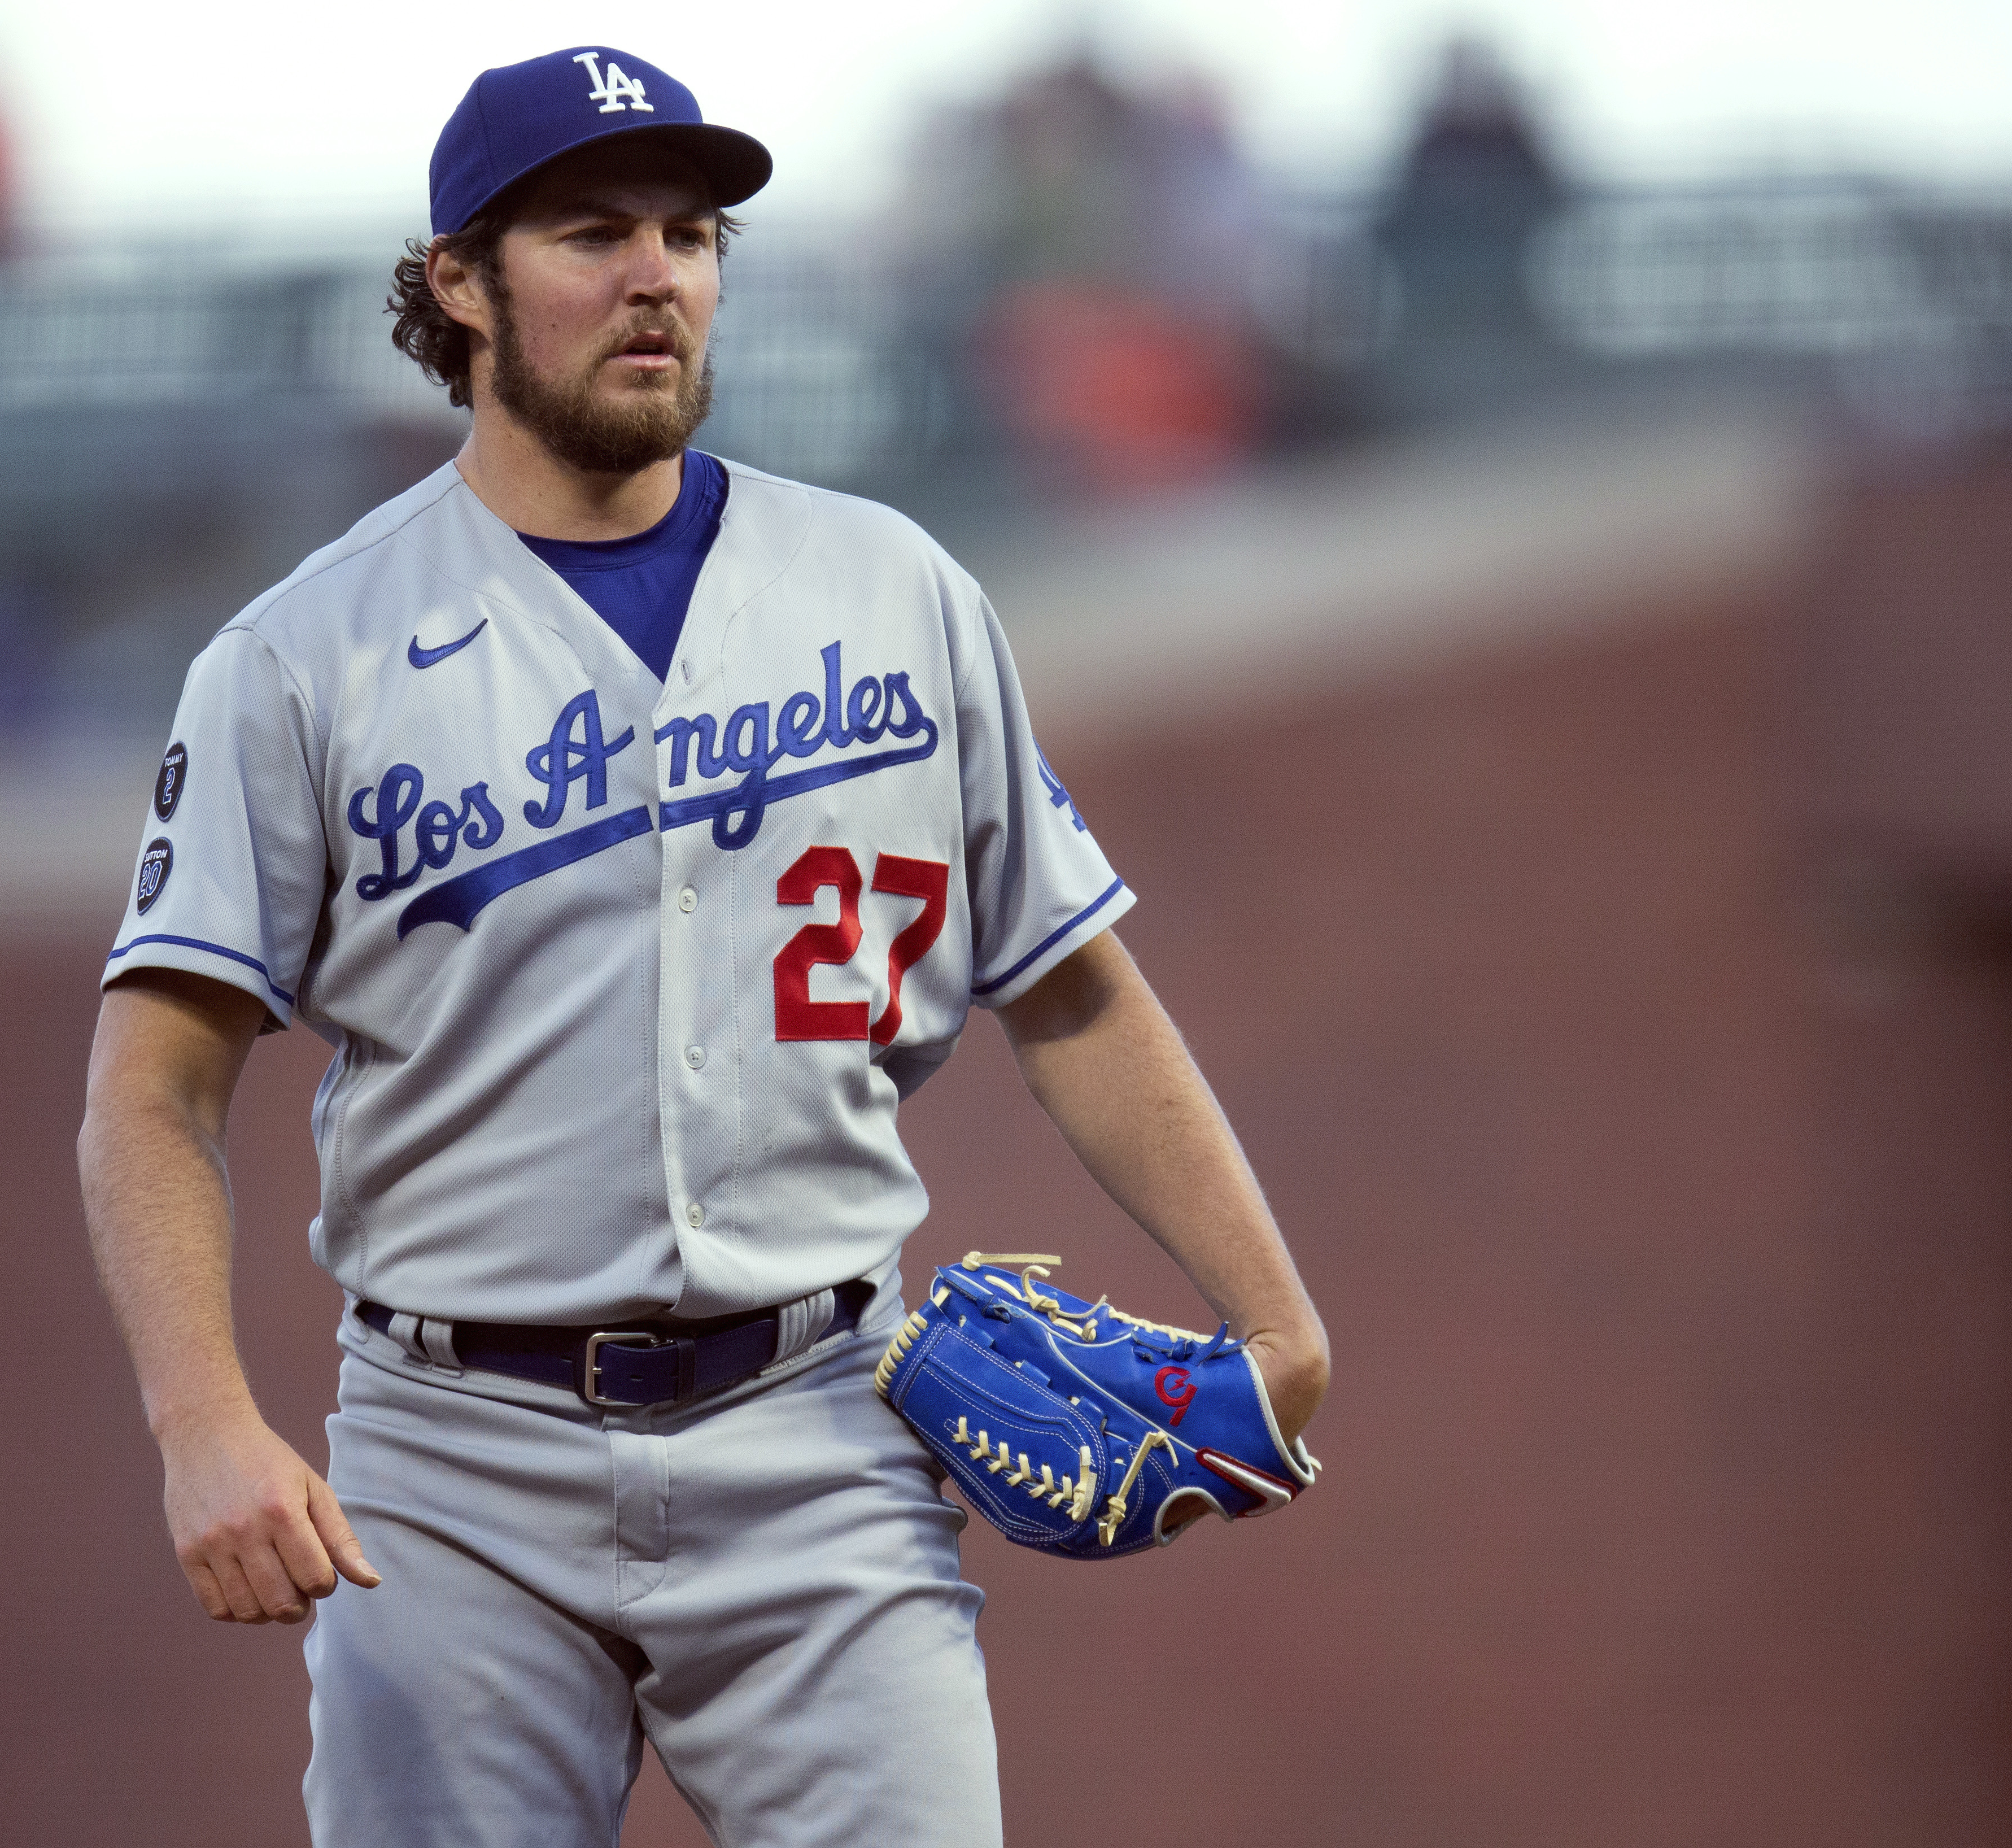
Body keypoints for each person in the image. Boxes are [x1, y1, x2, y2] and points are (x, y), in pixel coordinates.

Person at [76, 45, 1328, 1848]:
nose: (657, 271)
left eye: (692, 230)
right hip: (453, 1459)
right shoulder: (303, 655)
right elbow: (150, 1090)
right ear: (457, 283)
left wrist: (1278, 1318)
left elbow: (1072, 986)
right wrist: (202, 1421)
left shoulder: (892, 590)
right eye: (593, 231)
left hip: (822, 1431)